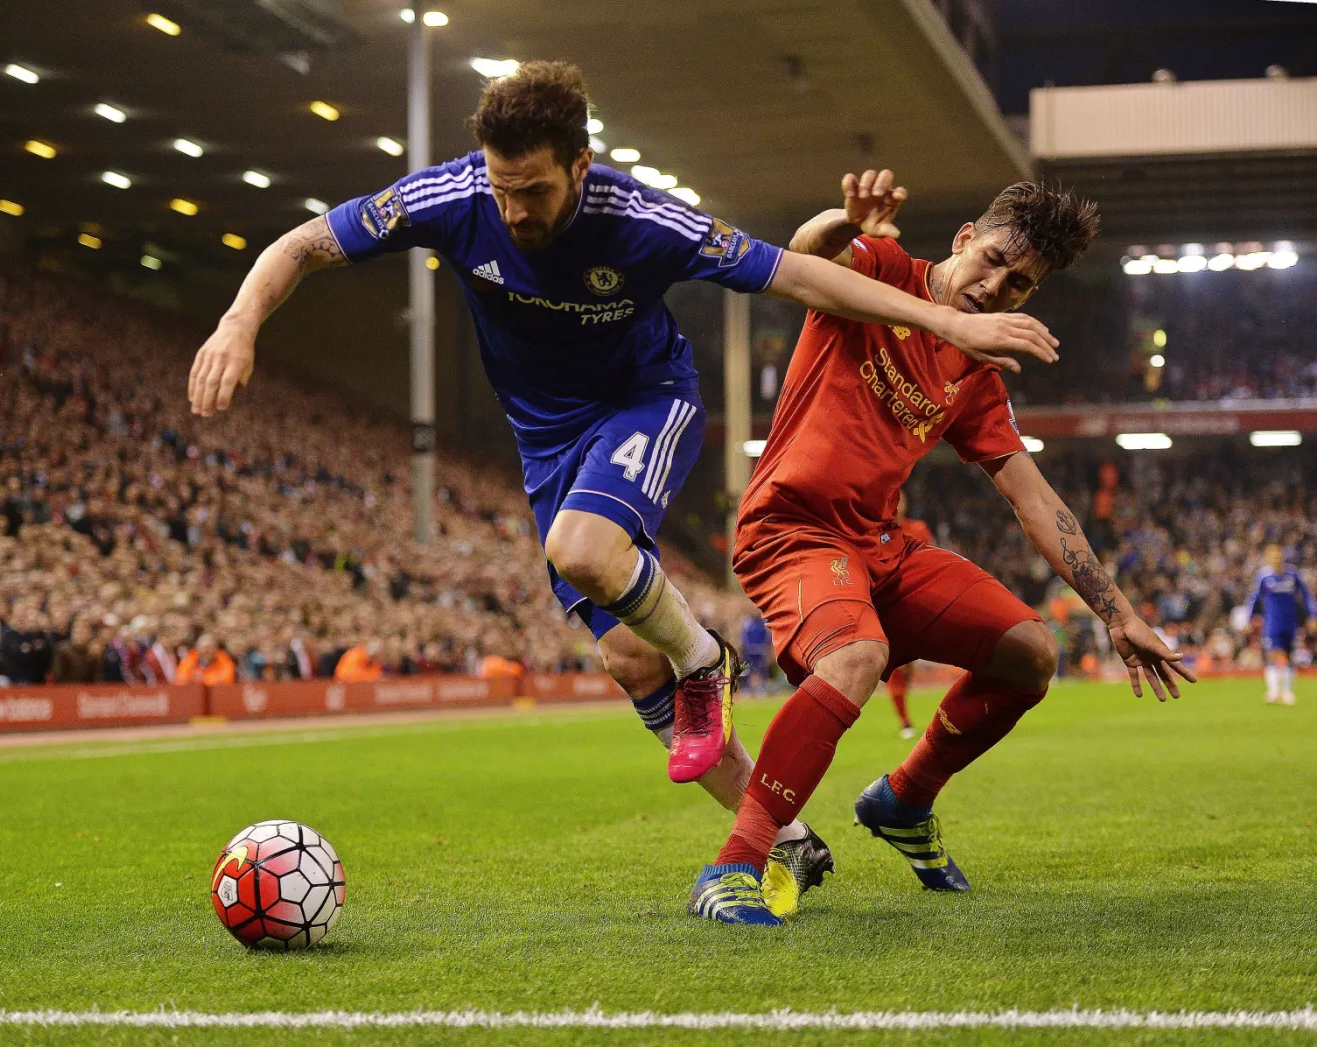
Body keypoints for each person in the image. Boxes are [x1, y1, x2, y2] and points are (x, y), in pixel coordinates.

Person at [187, 63, 1058, 912]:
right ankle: (787, 839)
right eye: (501, 186)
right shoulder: (451, 197)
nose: (513, 208)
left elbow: (792, 272)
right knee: (627, 654)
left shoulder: (645, 220)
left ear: (580, 168)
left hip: (645, 404)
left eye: (533, 189)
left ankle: (704, 660)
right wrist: (238, 322)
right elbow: (304, 244)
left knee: (584, 551)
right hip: (545, 443)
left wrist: (944, 317)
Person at [688, 171, 1195, 926]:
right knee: (854, 658)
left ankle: (904, 798)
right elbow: (802, 258)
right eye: (992, 260)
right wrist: (844, 219)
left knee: (1030, 651)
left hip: (878, 544)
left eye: (1019, 284)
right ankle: (735, 864)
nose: (995, 287)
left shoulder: (977, 375)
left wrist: (1116, 610)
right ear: (963, 239)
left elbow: (1033, 497)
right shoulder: (885, 271)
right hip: (791, 528)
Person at [884, 496, 934, 739]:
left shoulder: (918, 529)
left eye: (899, 500)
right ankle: (904, 721)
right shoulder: (877, 532)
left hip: (919, 600)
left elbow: (932, 560)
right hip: (892, 603)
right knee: (898, 665)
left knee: (909, 666)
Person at [1245, 544, 1314, 705]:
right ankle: (1274, 691)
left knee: (1290, 655)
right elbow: (1253, 598)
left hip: (1290, 622)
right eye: (1273, 556)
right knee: (1272, 655)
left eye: (1279, 555)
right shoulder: (1263, 577)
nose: (1277, 558)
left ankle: (1288, 692)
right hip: (1272, 623)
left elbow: (1306, 596)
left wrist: (1312, 616)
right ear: (1269, 558)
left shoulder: (1292, 575)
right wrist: (1249, 619)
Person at [51, 618, 104, 684]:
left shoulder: (93, 651)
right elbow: (58, 677)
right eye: (77, 631)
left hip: (88, 691)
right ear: (72, 632)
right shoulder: (62, 651)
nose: (80, 634)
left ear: (89, 634)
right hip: (67, 690)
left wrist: (95, 657)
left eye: (84, 631)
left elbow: (98, 676)